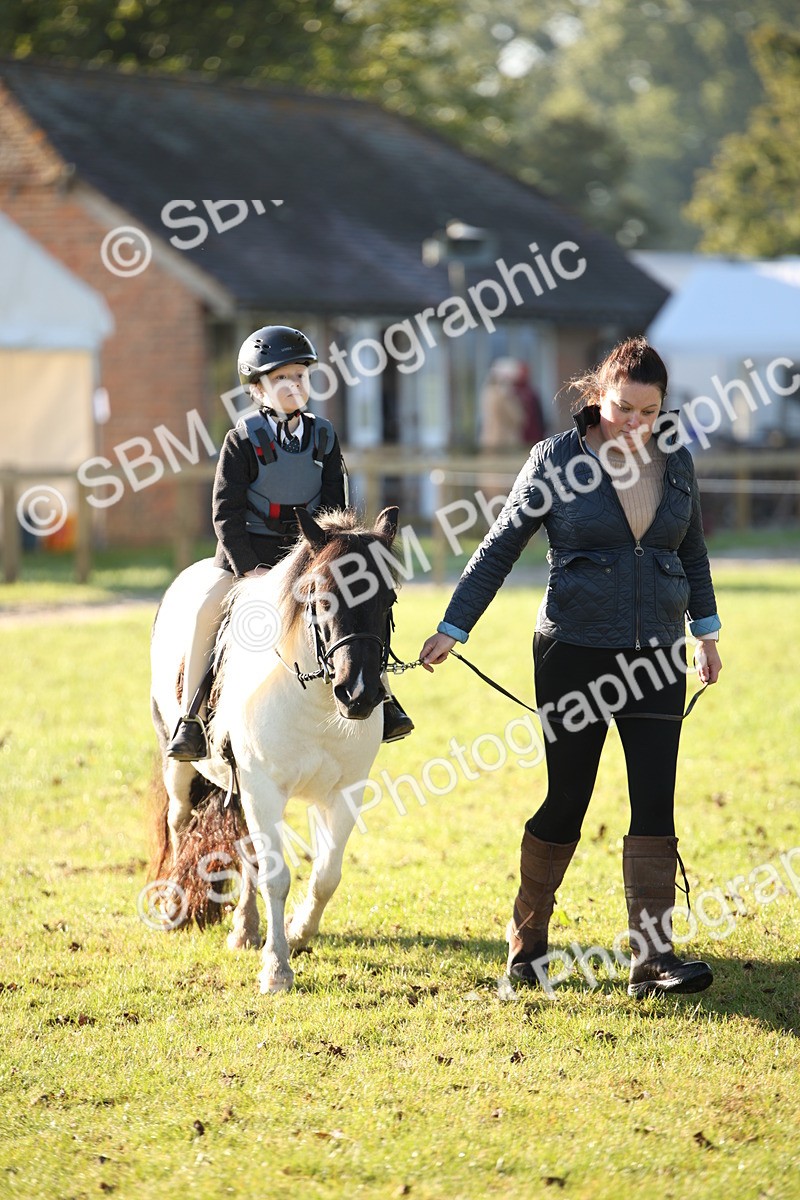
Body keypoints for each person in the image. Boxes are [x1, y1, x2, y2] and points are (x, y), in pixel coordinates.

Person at [419, 337, 722, 998]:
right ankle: (527, 944)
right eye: (623, 408)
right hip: (573, 653)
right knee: (567, 800)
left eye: (649, 411)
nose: (635, 423)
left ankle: (654, 959)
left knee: (655, 798)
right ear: (597, 397)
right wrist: (453, 626)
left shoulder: (676, 459)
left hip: (657, 655)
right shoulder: (556, 459)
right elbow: (501, 545)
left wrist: (706, 632)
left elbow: (691, 549)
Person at [167, 325, 413, 761]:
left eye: (300, 376)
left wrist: (331, 560)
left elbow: (335, 509)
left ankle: (384, 696)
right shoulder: (241, 439)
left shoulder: (324, 436)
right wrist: (248, 568)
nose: (293, 385)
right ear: (257, 388)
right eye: (281, 378)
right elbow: (225, 512)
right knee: (207, 606)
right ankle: (191, 717)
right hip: (251, 557)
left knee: (361, 604)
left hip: (311, 556)